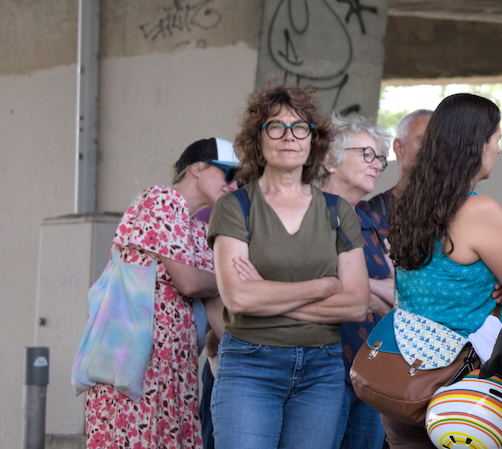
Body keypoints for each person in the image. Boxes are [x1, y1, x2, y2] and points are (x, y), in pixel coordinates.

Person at [207, 86, 370, 449]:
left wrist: (268, 294)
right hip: (250, 363)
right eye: (276, 127)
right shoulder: (235, 207)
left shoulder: (337, 211)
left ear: (313, 140)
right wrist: (323, 287)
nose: (289, 136)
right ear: (258, 139)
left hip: (321, 369)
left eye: (300, 127)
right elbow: (239, 299)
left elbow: (356, 304)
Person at [383, 93, 502, 449]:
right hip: (466, 398)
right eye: (496, 140)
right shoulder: (477, 210)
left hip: (404, 387)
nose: (498, 149)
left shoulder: (409, 207)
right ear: (476, 146)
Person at [84, 138, 236, 449]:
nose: (234, 185)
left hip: (173, 374)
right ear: (196, 168)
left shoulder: (198, 229)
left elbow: (215, 308)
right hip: (136, 369)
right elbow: (189, 283)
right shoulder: (161, 199)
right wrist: (232, 282)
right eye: (229, 173)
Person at [317, 113, 394, 449]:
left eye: (380, 158)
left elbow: (400, 291)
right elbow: (316, 283)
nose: (377, 164)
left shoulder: (369, 217)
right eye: (367, 154)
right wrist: (371, 291)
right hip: (324, 367)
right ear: (329, 159)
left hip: (373, 365)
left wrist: (355, 287)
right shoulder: (309, 212)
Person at [364, 108, 430, 224]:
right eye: (422, 140)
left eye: (438, 142)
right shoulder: (372, 213)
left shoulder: (456, 208)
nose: (433, 148)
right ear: (399, 148)